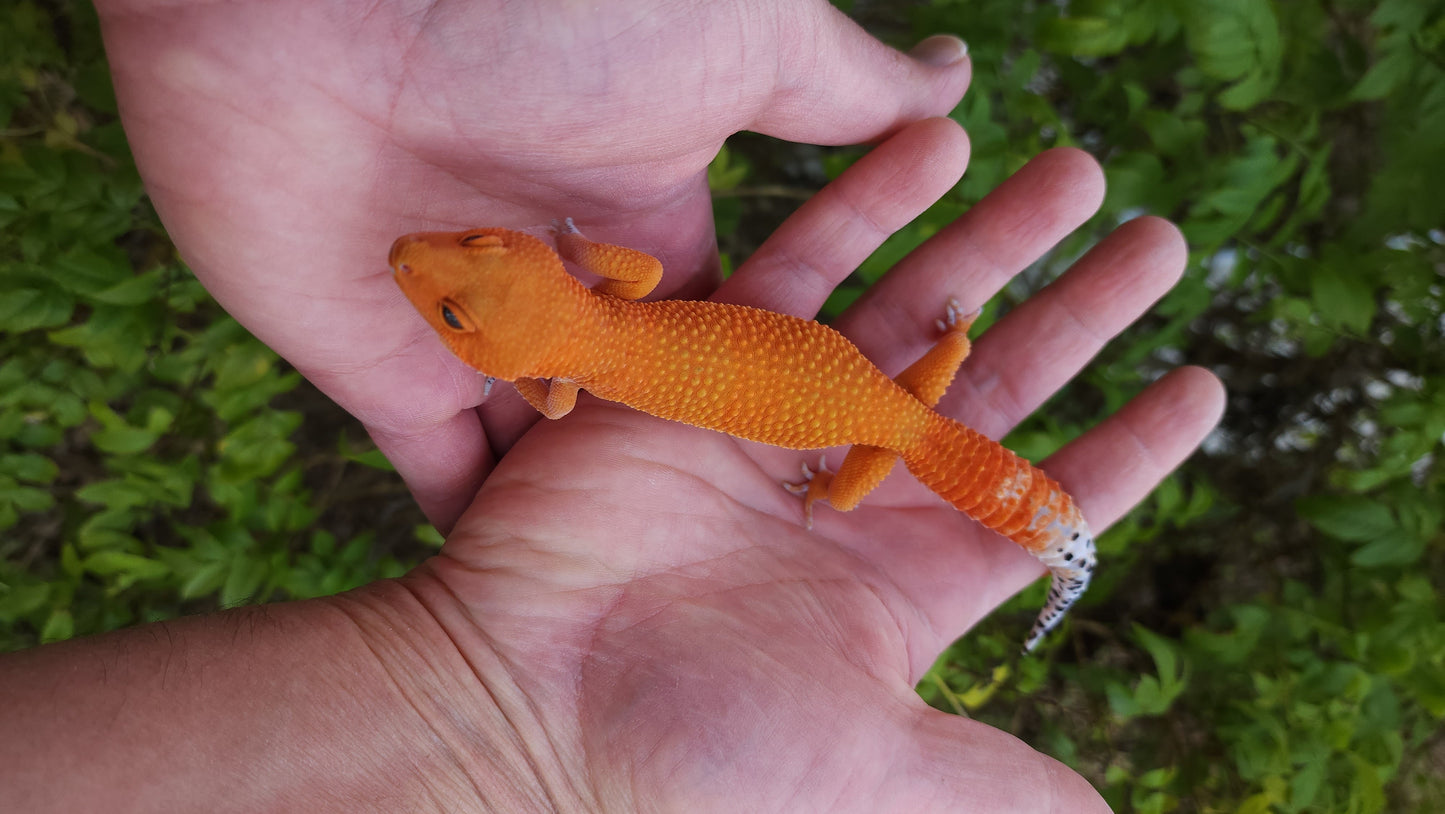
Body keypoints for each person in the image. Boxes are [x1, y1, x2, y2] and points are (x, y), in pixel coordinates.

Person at [0, 2, 1224, 810]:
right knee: (913, 424)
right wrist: (850, 451)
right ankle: (1056, 540)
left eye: (458, 296)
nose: (433, 266)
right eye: (462, 284)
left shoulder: (585, 339)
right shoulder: (585, 338)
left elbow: (573, 347)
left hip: (869, 419)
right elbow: (564, 356)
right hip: (861, 412)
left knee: (915, 428)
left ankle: (1061, 547)